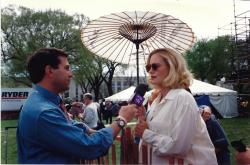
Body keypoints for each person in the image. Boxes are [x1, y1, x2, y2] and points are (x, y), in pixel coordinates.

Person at [16, 48, 137, 164]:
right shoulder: (44, 113)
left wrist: (89, 130)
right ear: (49, 71)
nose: (71, 74)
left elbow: (69, 124)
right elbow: (90, 147)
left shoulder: (46, 101)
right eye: (67, 68)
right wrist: (121, 120)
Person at [134, 48, 217, 164]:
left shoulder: (183, 98)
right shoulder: (157, 100)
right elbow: (157, 133)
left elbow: (178, 148)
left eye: (155, 66)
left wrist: (145, 133)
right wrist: (143, 118)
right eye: (148, 67)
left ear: (172, 67)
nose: (150, 71)